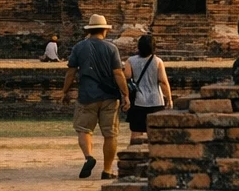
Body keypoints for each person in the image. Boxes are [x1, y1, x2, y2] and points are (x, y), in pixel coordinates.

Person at [61, 14, 130, 179]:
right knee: (110, 134)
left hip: (87, 95)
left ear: (90, 30)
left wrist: (65, 91)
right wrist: (125, 94)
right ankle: (107, 170)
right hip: (109, 96)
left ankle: (89, 157)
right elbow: (118, 74)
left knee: (84, 130)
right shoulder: (111, 48)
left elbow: (71, 72)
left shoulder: (79, 47)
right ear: (104, 31)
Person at [124, 34, 172, 137]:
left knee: (136, 132)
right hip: (156, 101)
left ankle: (134, 152)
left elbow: (126, 79)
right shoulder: (158, 61)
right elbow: (163, 82)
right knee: (156, 133)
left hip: (138, 101)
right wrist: (169, 98)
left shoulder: (130, 61)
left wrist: (126, 97)